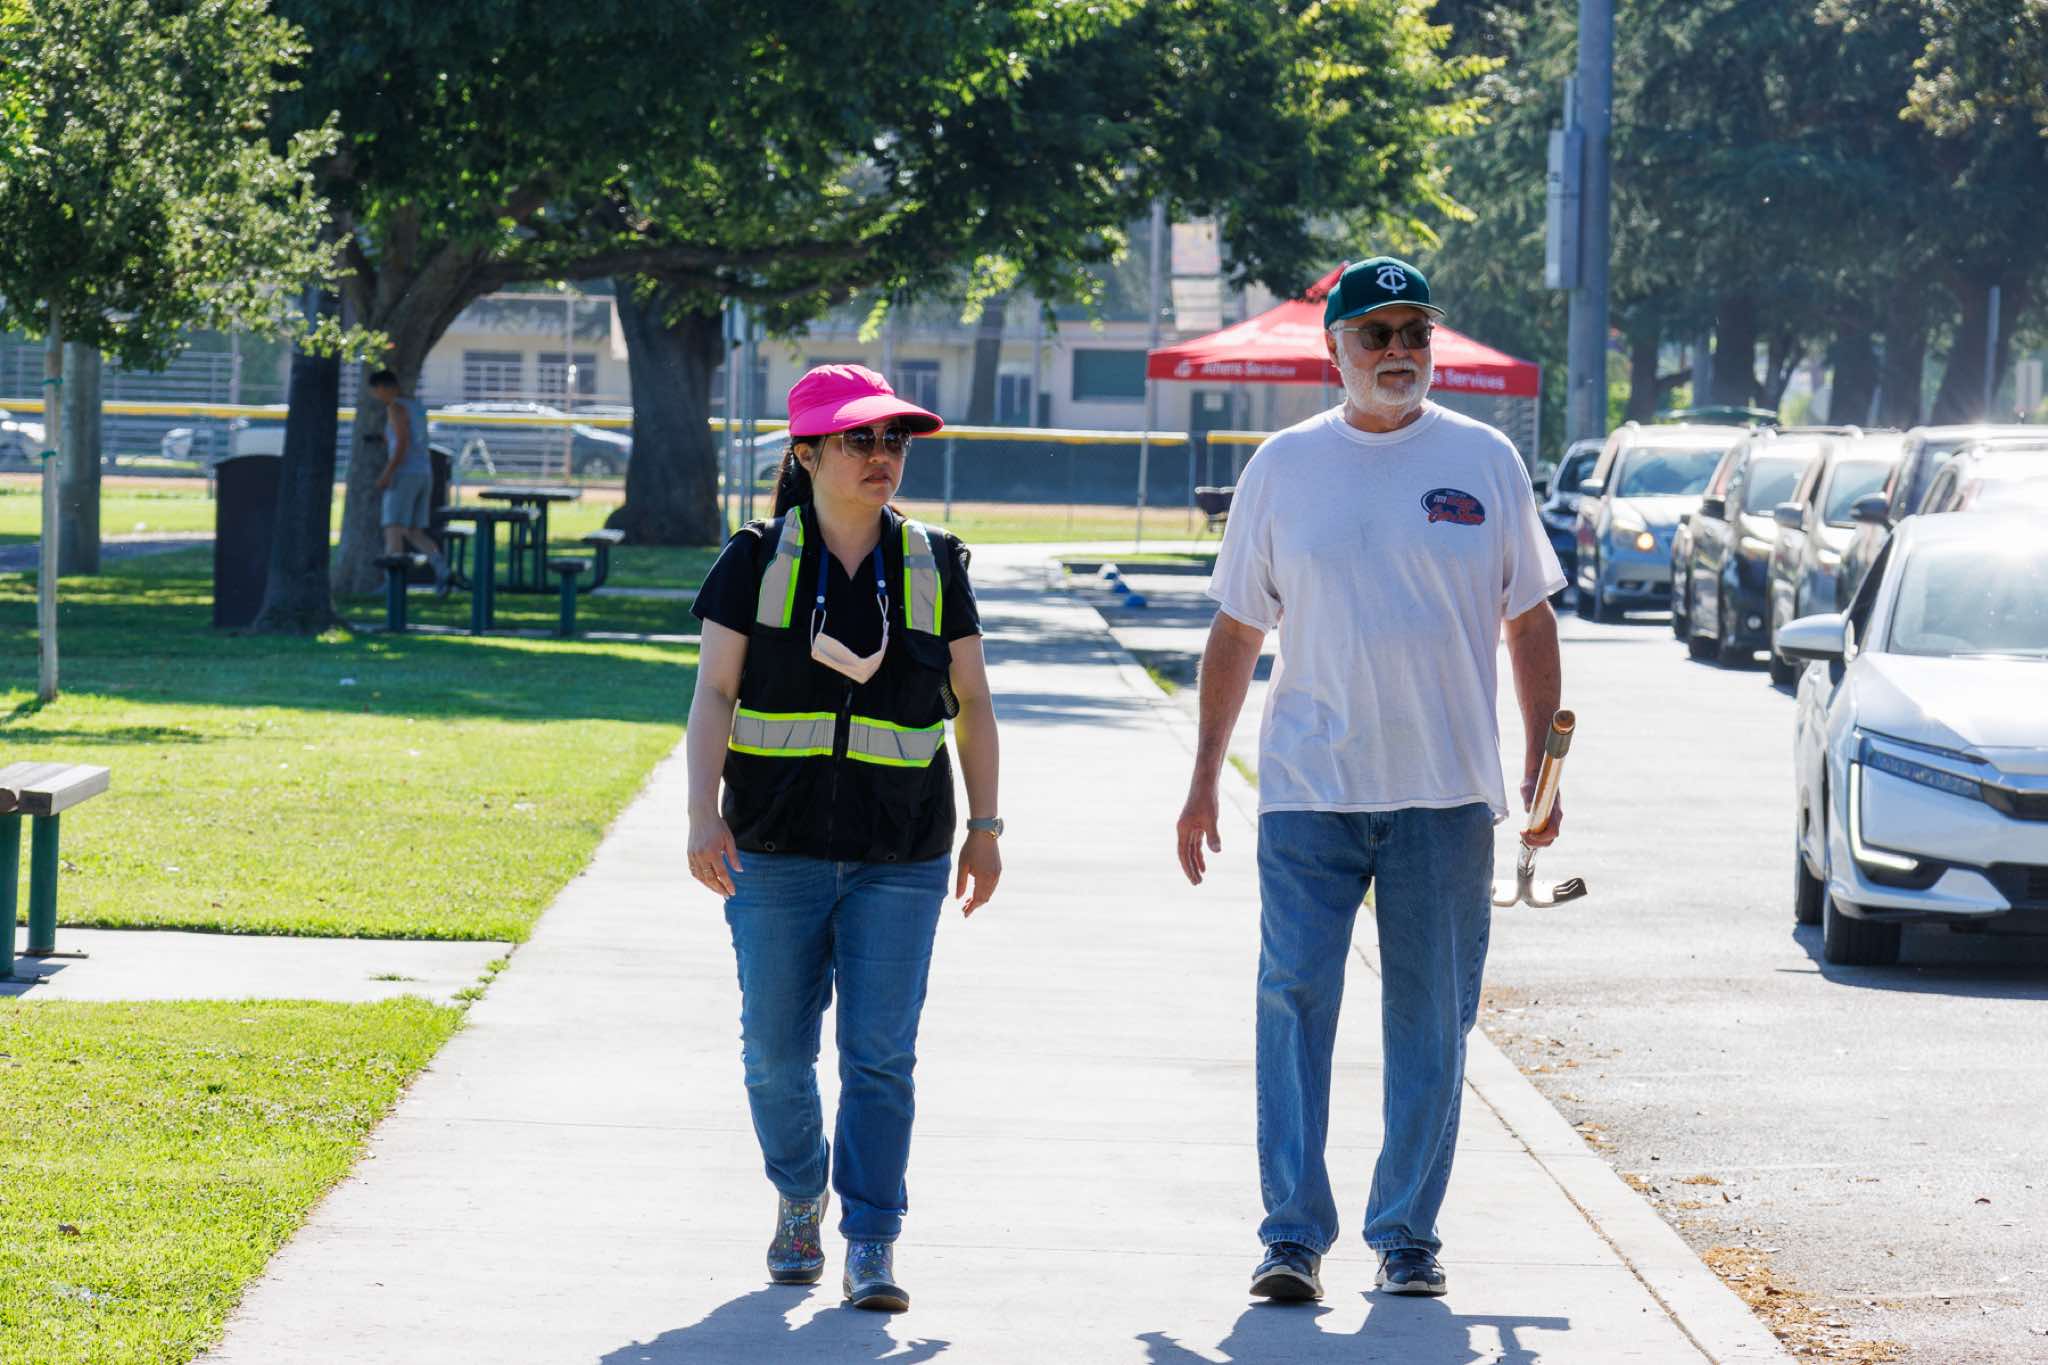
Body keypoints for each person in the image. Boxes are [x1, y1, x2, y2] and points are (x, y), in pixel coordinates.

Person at [1173, 256, 1565, 1301]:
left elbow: (1529, 619)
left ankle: (1406, 1236)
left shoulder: (1483, 459)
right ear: (1334, 349)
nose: (1398, 351)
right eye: (1376, 334)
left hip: (1446, 793)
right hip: (1309, 789)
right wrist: (1204, 777)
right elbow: (1236, 629)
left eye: (1414, 333)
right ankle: (1291, 1237)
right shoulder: (1283, 467)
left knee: (1432, 1021)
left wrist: (1543, 763)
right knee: (1293, 1001)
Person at [686, 363, 1003, 1313]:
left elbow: (974, 704)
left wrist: (986, 827)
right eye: (859, 439)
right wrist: (701, 812)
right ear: (808, 452)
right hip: (772, 850)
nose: (882, 455)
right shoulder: (753, 559)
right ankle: (799, 1194)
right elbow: (713, 693)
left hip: (901, 856)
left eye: (893, 439)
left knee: (879, 1056)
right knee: (775, 1056)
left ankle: (872, 1238)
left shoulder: (935, 562)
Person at [367, 369, 449, 593]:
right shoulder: (417, 407)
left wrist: (387, 474)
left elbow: (402, 444)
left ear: (385, 387)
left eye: (376, 390)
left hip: (404, 474)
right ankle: (441, 568)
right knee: (414, 531)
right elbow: (405, 438)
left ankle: (392, 583)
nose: (376, 395)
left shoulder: (396, 407)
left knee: (393, 527)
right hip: (424, 473)